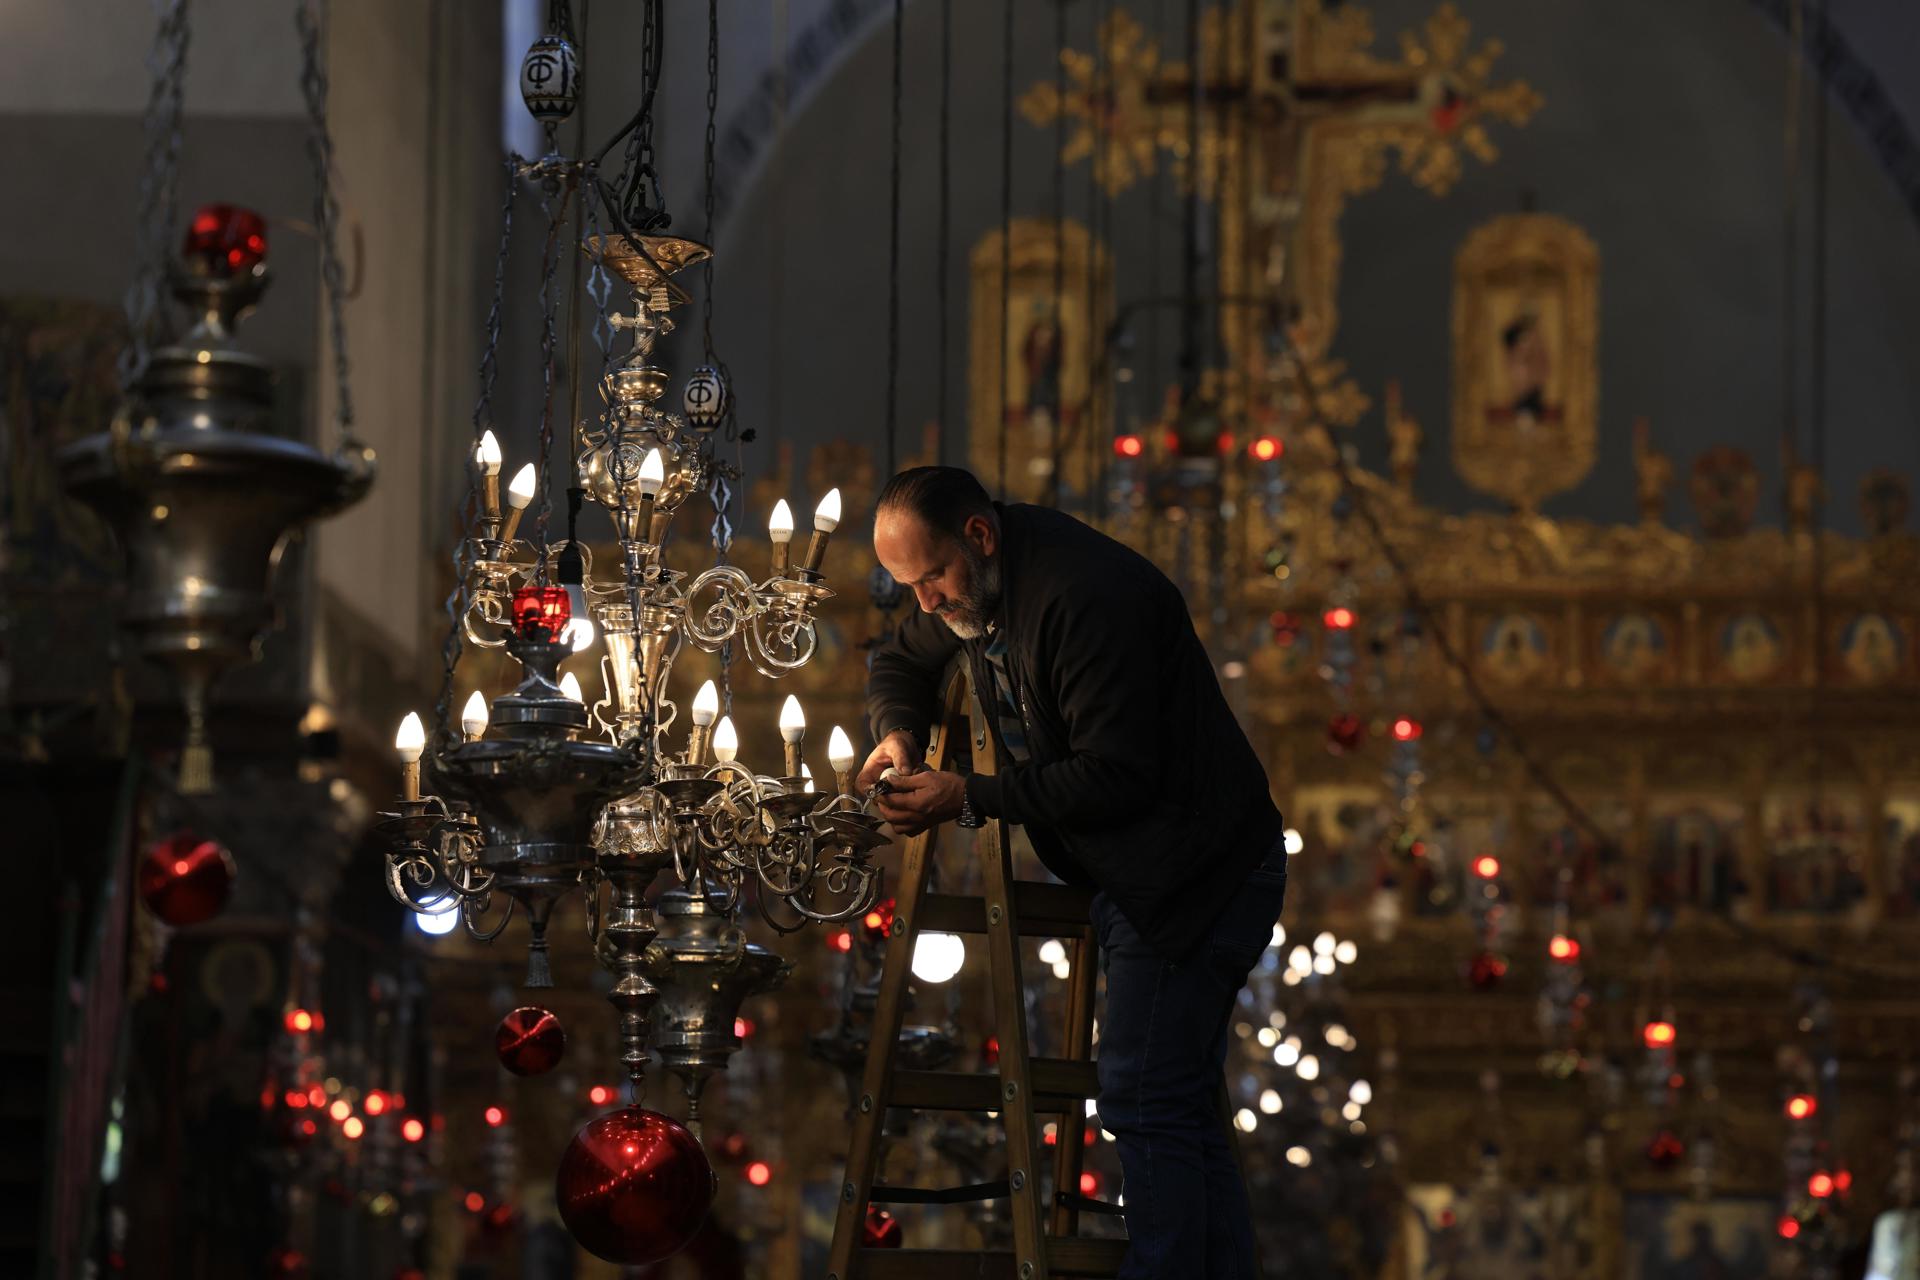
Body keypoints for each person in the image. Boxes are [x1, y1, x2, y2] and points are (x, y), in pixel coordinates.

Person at [857, 465, 1286, 1279]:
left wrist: (968, 795)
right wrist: (898, 735)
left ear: (979, 537)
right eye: (909, 584)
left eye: (933, 576)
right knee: (1178, 1106)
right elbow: (897, 659)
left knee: (1140, 1098)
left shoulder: (1084, 596)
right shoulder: (968, 593)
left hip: (1198, 874)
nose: (927, 602)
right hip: (1141, 877)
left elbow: (1115, 775)